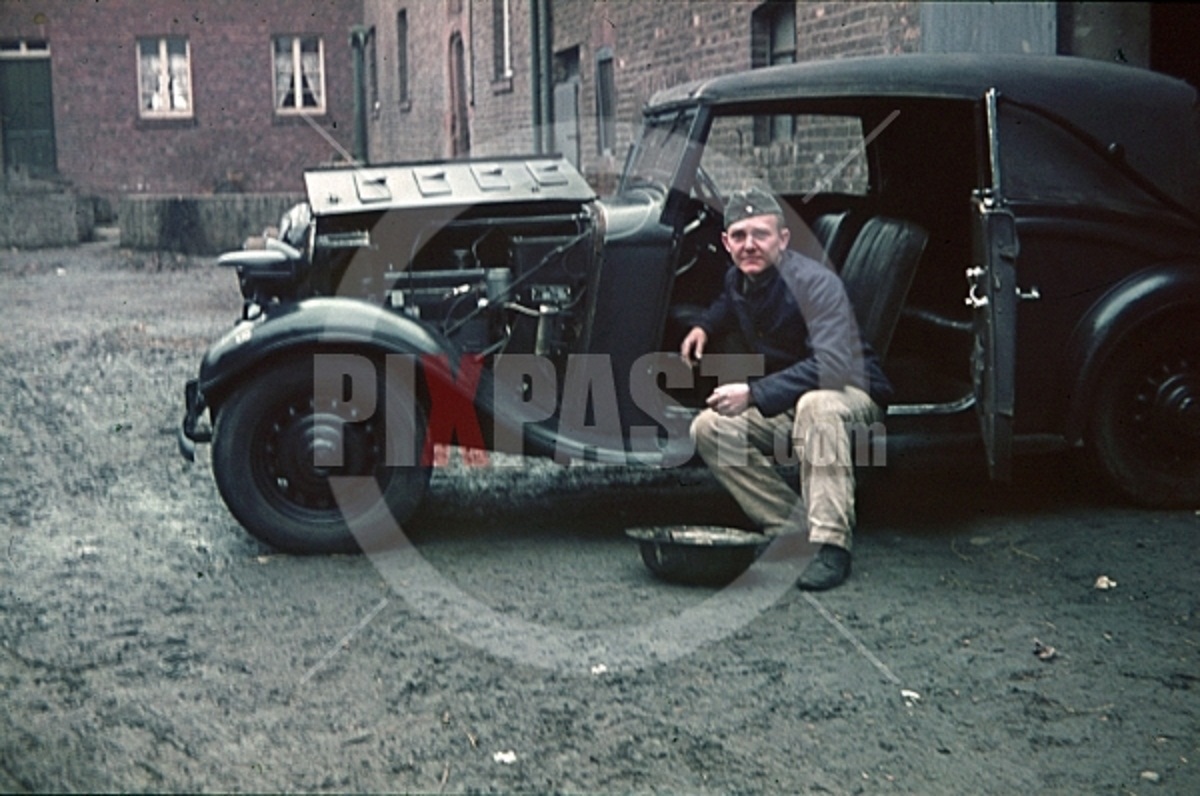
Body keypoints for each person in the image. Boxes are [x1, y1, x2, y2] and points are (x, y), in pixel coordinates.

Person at [681, 187, 892, 591]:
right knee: (708, 428)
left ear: (783, 239)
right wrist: (703, 326)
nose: (750, 245)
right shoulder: (739, 279)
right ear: (726, 244)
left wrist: (754, 394)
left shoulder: (815, 283)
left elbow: (832, 366)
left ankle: (831, 545)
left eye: (761, 234)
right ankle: (792, 531)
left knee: (818, 406)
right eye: (739, 236)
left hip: (851, 395)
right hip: (795, 398)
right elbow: (728, 301)